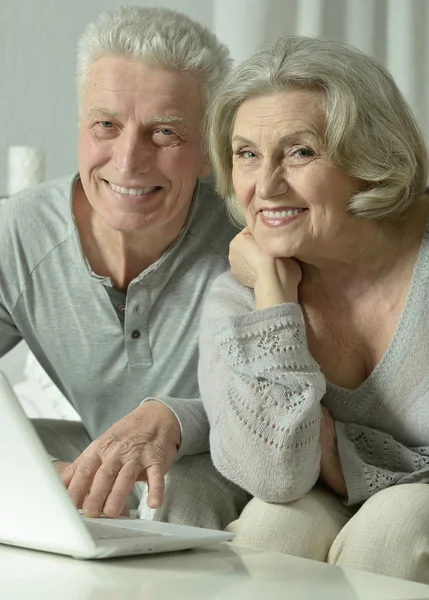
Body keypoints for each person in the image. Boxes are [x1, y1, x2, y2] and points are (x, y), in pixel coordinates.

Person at [0, 6, 248, 528]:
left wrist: (175, 418)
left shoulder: (248, 233)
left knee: (178, 492)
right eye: (106, 125)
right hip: (98, 448)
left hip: (221, 466)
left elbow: (290, 396)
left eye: (164, 133)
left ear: (208, 150)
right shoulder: (18, 233)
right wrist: (40, 476)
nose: (129, 161)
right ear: (81, 127)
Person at [199, 35, 429, 582]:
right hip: (319, 497)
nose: (267, 185)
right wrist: (274, 302)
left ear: (372, 158)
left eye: (300, 151)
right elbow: (274, 474)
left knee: (396, 526)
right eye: (247, 154)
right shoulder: (239, 297)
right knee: (273, 528)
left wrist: (347, 461)